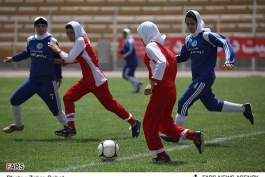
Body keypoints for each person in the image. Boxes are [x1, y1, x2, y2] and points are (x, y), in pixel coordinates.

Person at [160, 10, 255, 143]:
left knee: (183, 102)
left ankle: (175, 135)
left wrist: (229, 60)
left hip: (205, 78)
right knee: (212, 105)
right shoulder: (188, 39)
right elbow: (183, 57)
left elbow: (225, 42)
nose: (190, 26)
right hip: (198, 79)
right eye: (187, 24)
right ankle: (244, 108)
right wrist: (167, 59)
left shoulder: (206, 35)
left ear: (198, 22)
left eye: (192, 23)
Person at [48, 21, 141, 138]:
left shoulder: (81, 40)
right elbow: (79, 58)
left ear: (77, 31)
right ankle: (70, 128)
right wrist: (61, 61)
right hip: (87, 80)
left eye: (72, 32)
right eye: (67, 33)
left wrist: (57, 50)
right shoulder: (80, 41)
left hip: (97, 81)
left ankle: (134, 122)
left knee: (110, 105)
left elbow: (71, 58)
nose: (70, 35)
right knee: (68, 97)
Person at [137, 21, 205, 163]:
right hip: (170, 90)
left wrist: (152, 82)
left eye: (140, 36)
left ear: (145, 34)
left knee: (149, 124)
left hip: (162, 90)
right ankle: (195, 136)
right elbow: (171, 67)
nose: (140, 39)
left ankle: (162, 157)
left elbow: (162, 63)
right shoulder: (165, 49)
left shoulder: (151, 46)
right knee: (164, 125)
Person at [2, 16, 68, 134]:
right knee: (14, 100)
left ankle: (68, 129)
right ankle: (18, 125)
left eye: (43, 26)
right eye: (38, 26)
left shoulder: (52, 41)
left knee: (56, 110)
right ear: (35, 27)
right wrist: (13, 58)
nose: (41, 28)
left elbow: (57, 60)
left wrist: (59, 77)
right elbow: (27, 52)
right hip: (32, 81)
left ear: (46, 27)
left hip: (47, 82)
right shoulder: (31, 40)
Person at [119, 28, 143, 93]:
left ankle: (138, 82)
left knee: (125, 75)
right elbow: (125, 50)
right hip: (131, 61)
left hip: (131, 61)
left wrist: (125, 55)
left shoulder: (129, 41)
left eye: (125, 34)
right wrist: (121, 51)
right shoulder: (127, 41)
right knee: (131, 76)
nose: (123, 35)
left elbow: (131, 50)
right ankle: (136, 89)